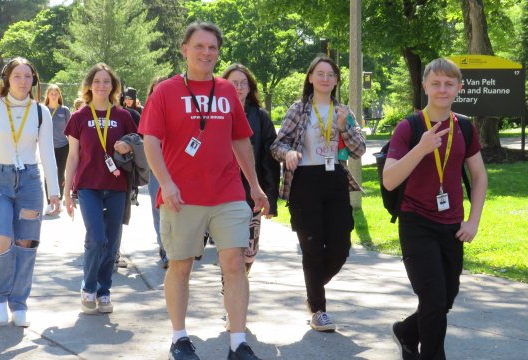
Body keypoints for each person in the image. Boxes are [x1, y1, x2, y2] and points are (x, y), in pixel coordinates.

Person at [139, 22, 268, 360]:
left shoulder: (226, 91)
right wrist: (166, 183)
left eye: (212, 47)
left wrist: (254, 186)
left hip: (227, 193)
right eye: (199, 46)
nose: (206, 53)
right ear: (185, 49)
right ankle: (180, 339)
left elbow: (240, 140)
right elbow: (150, 140)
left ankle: (238, 342)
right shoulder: (166, 91)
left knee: (235, 263)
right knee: (180, 266)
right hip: (181, 196)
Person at [382, 58, 488, 360]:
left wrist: (473, 221)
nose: (442, 89)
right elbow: (390, 180)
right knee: (433, 299)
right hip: (416, 222)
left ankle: (406, 331)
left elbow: (479, 177)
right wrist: (421, 148)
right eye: (436, 83)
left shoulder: (465, 128)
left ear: (458, 89)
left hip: (453, 226)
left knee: (445, 299)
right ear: (425, 86)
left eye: (449, 84)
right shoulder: (409, 127)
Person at [270, 55, 367, 333]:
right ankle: (319, 310)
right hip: (305, 181)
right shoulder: (298, 109)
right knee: (312, 249)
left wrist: (343, 128)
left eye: (330, 74)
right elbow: (277, 145)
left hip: (334, 179)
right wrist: (288, 152)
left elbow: (359, 151)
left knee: (340, 248)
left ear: (337, 81)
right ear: (310, 78)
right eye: (320, 73)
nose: (325, 78)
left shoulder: (343, 111)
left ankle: (312, 290)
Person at [0, 57, 59, 327]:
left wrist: (53, 189)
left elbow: (48, 155)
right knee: (0, 240)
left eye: (28, 76)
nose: (23, 81)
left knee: (26, 244)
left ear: (34, 80)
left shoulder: (41, 112)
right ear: (7, 79)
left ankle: (19, 303)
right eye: (17, 76)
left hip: (29, 180)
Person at [62, 63, 137, 315]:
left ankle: (104, 291)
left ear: (113, 86)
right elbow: (72, 157)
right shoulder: (79, 117)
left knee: (112, 242)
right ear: (89, 86)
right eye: (97, 81)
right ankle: (88, 287)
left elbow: (139, 143)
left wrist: (130, 146)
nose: (101, 86)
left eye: (106, 82)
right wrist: (66, 193)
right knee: (96, 238)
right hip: (88, 187)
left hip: (117, 187)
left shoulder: (123, 116)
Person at [219, 63, 279, 278]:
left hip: (251, 193)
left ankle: (238, 284)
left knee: (249, 253)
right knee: (230, 251)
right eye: (234, 83)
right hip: (222, 192)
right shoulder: (215, 112)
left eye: (244, 83)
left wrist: (270, 196)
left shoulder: (260, 116)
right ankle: (231, 293)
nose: (239, 87)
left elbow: (269, 159)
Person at [145, 76, 169, 269]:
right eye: (156, 88)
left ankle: (177, 249)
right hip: (156, 168)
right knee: (158, 208)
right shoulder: (149, 110)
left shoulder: (179, 107)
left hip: (179, 166)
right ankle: (165, 250)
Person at [43, 84, 71, 215]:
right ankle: (49, 202)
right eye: (51, 94)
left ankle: (58, 201)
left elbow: (71, 131)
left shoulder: (64, 110)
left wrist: (73, 148)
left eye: (56, 94)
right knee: (48, 173)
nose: (54, 96)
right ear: (47, 95)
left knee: (60, 174)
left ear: (59, 95)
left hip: (63, 146)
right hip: (47, 146)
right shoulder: (43, 110)